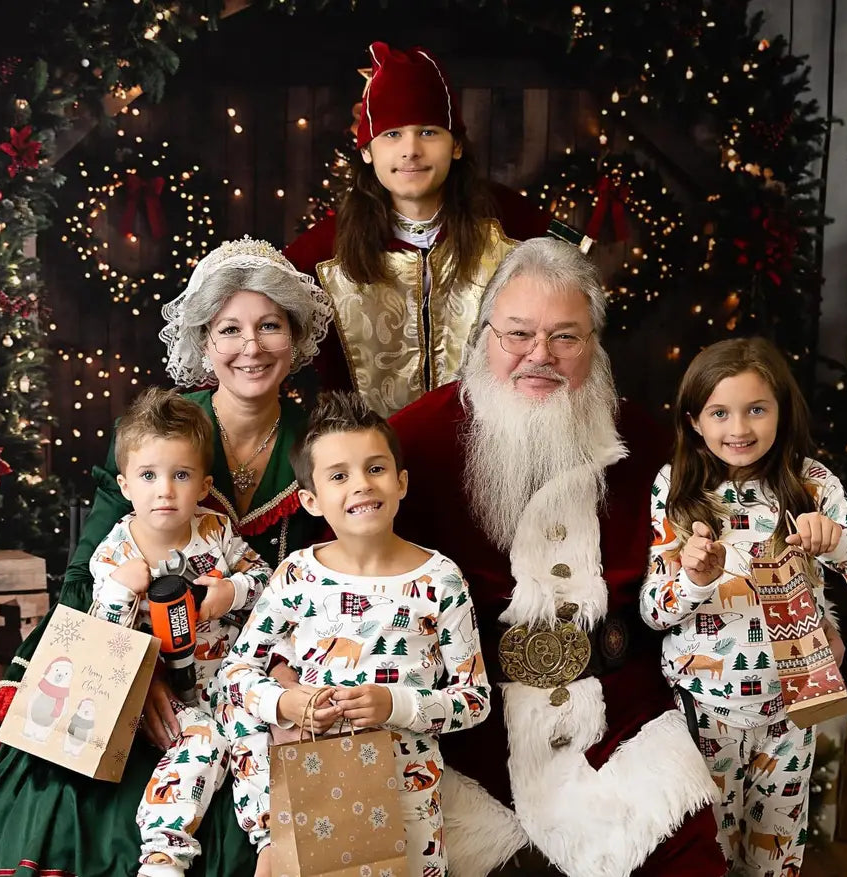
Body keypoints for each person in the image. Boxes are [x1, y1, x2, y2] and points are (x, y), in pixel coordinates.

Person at [0, 237, 334, 877]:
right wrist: (131, 676)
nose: (252, 346)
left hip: (257, 661)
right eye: (230, 329)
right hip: (131, 649)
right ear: (205, 341)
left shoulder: (316, 440)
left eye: (270, 325)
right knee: (74, 800)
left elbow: (320, 578)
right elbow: (86, 575)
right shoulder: (158, 435)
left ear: (295, 336)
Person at [387, 237, 726, 876]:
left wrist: (805, 621)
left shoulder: (645, 441)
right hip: (466, 743)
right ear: (484, 335)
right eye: (518, 334)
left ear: (594, 344)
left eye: (565, 338)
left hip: (622, 731)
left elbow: (725, 538)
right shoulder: (410, 442)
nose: (539, 356)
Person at [640, 337, 847, 875]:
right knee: (705, 858)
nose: (739, 429)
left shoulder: (813, 483)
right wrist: (693, 579)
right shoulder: (676, 486)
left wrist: (840, 544)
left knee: (775, 860)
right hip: (701, 713)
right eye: (720, 413)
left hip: (792, 713)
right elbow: (654, 612)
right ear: (694, 421)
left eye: (757, 409)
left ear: (782, 409)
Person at [220, 390, 491, 877]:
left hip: (409, 800)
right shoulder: (298, 574)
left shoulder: (440, 579)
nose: (361, 486)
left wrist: (396, 706)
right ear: (310, 499)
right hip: (315, 792)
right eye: (339, 476)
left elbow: (474, 699)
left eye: (376, 469)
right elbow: (236, 673)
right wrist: (285, 703)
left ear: (401, 482)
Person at [283, 41, 551, 416]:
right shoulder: (321, 254)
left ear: (456, 145)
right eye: (392, 135)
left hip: (494, 449)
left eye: (428, 132)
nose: (410, 150)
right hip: (366, 459)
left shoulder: (516, 228)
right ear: (366, 150)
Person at [88, 387, 273, 877]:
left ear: (203, 485)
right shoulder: (114, 554)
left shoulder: (216, 532)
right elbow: (104, 648)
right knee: (202, 742)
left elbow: (266, 581)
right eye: (148, 476)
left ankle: (271, 838)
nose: (164, 490)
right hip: (168, 693)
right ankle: (164, 854)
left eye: (181, 475)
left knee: (257, 731)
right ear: (125, 485)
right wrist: (118, 595)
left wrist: (229, 592)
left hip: (228, 674)